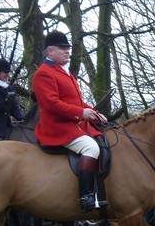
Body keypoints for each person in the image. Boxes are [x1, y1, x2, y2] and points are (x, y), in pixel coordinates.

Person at [33, 29, 108, 212]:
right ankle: (86, 196)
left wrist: (94, 112)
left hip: (73, 123)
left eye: (68, 48)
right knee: (91, 148)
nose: (67, 51)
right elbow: (52, 104)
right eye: (62, 48)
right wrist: (81, 113)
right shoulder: (44, 73)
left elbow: (77, 101)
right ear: (50, 51)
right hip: (57, 127)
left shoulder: (65, 73)